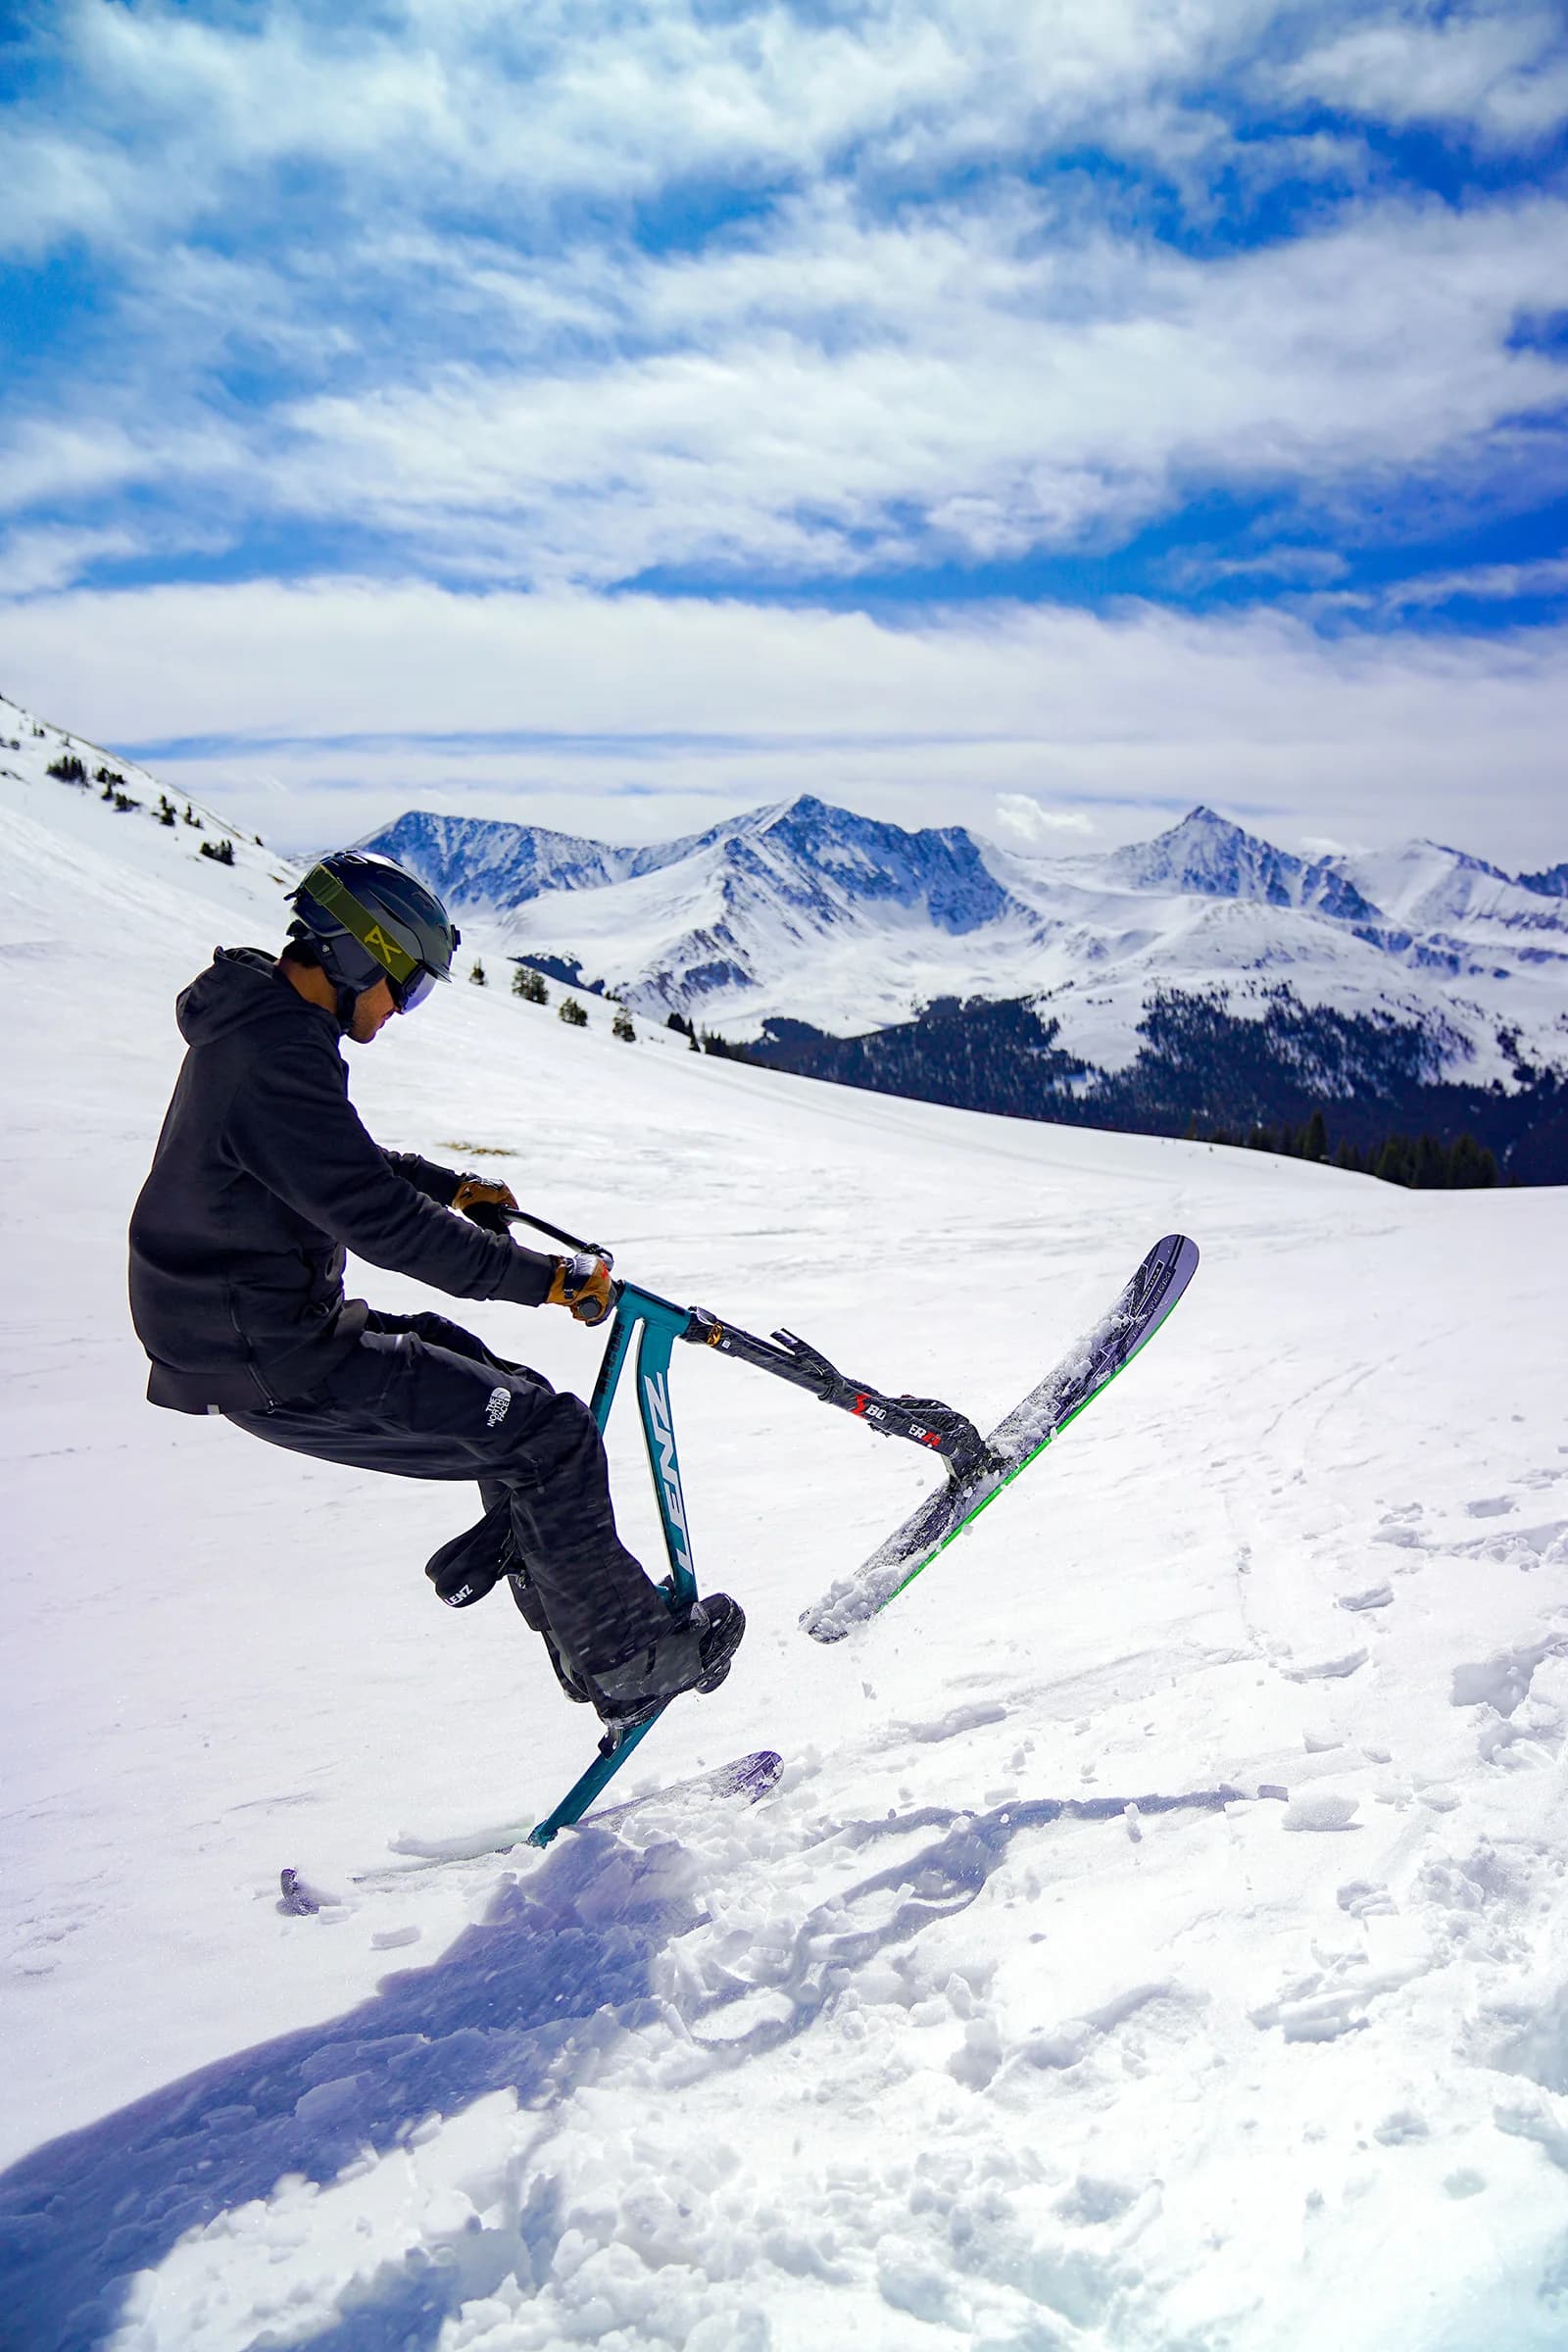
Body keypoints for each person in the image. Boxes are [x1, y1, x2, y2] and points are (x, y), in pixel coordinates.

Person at [127, 848, 743, 1736]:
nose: (401, 1011)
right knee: (550, 1436)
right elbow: (382, 1224)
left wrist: (447, 1184)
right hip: (267, 1355)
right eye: (406, 988)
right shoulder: (274, 1057)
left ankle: (574, 1601)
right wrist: (550, 1282)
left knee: (474, 1369)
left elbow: (327, 1164)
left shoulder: (262, 1025)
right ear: (356, 953)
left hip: (247, 1330)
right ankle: (624, 1658)